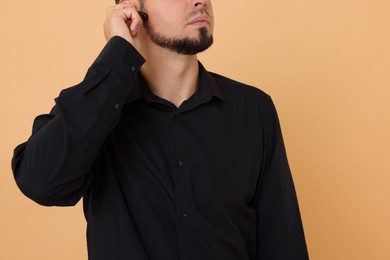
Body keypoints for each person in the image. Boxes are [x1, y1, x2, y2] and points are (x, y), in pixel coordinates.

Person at [12, 0, 309, 259]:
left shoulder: (253, 108)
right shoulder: (97, 109)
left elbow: (282, 242)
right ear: (131, 7)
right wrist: (117, 55)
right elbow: (40, 182)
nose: (199, 1)